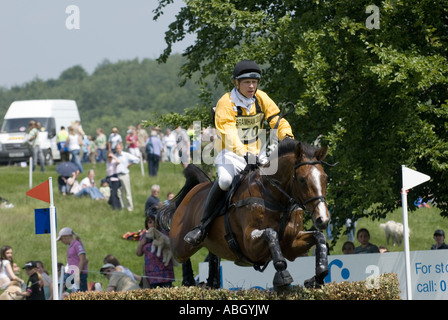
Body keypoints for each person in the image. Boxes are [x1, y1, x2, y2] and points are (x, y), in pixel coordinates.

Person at [184, 60, 294, 246]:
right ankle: (203, 226)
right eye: (247, 82)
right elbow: (228, 133)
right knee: (226, 181)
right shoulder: (226, 102)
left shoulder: (261, 98)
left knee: (280, 180)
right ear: (236, 83)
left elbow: (277, 119)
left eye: (254, 82)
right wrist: (245, 153)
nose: (252, 86)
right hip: (230, 154)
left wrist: (288, 137)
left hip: (257, 154)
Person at [136, 214, 175, 289]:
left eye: (155, 222)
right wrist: (141, 243)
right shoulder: (144, 235)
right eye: (150, 222)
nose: (153, 224)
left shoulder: (164, 234)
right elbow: (138, 253)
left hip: (164, 271)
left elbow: (171, 247)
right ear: (147, 224)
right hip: (151, 273)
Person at [57, 227, 88, 292]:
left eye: (62, 239)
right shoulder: (70, 246)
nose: (62, 241)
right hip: (71, 273)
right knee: (61, 287)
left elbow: (82, 259)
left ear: (67, 236)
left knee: (81, 293)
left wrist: (77, 274)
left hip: (79, 274)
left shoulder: (77, 244)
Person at [115, 142, 139, 211]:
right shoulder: (115, 156)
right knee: (119, 192)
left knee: (127, 192)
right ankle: (122, 207)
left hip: (124, 175)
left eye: (119, 148)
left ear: (121, 148)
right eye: (117, 149)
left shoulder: (126, 155)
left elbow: (137, 159)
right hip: (117, 175)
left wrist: (130, 164)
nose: (118, 150)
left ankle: (130, 208)